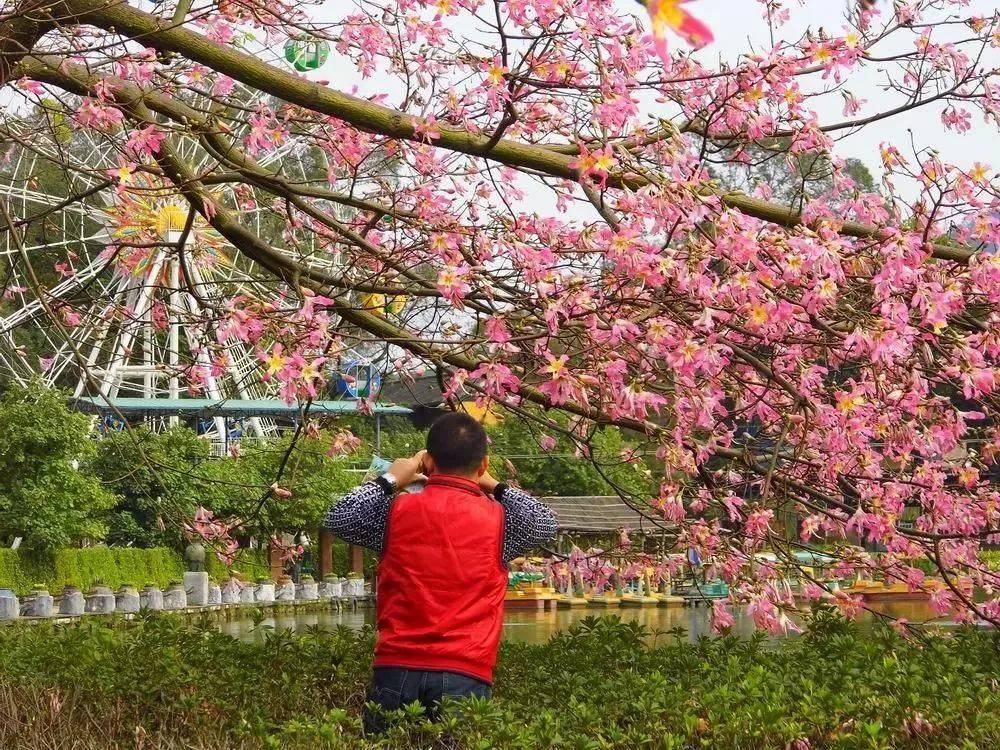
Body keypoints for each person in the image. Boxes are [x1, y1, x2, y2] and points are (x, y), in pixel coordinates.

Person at [324, 412, 557, 734]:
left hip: (395, 667)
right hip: (465, 672)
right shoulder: (501, 522)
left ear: (428, 462)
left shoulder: (395, 513)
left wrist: (392, 478)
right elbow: (544, 521)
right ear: (484, 464)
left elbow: (339, 517)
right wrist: (493, 484)